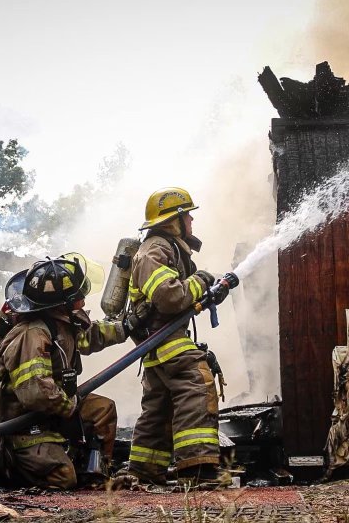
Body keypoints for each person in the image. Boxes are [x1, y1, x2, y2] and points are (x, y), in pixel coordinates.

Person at [0, 255, 128, 489]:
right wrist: (70, 407)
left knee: (102, 409)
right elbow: (36, 393)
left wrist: (126, 327)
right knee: (63, 477)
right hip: (22, 423)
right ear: (60, 303)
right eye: (77, 297)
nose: (82, 301)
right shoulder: (32, 335)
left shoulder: (62, 322)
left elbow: (89, 336)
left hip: (54, 408)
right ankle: (9, 466)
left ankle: (96, 474)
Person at [123, 187, 228, 487]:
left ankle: (145, 469)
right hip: (164, 339)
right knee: (196, 383)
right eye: (187, 215)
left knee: (159, 405)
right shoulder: (155, 250)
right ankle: (197, 468)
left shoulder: (165, 248)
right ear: (174, 220)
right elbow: (169, 298)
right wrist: (201, 280)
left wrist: (210, 292)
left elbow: (178, 298)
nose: (192, 220)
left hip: (157, 341)